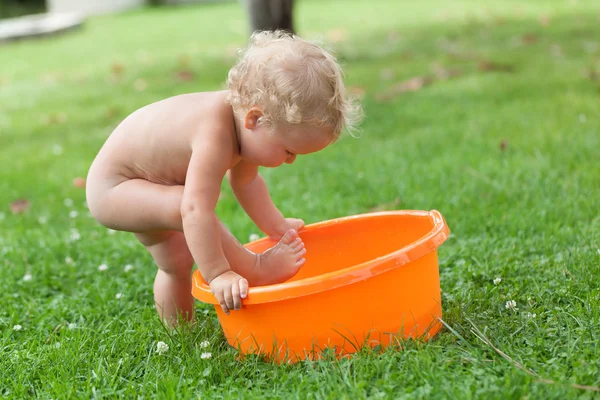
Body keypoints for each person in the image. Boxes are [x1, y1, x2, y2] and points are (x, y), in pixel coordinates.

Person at [86, 30, 361, 324]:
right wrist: (218, 272)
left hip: (147, 184)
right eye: (289, 150)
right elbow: (194, 210)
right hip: (114, 188)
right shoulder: (214, 134)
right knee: (182, 205)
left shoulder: (245, 130)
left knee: (175, 262)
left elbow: (245, 182)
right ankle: (256, 268)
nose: (290, 161)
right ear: (255, 119)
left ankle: (180, 335)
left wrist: (276, 226)